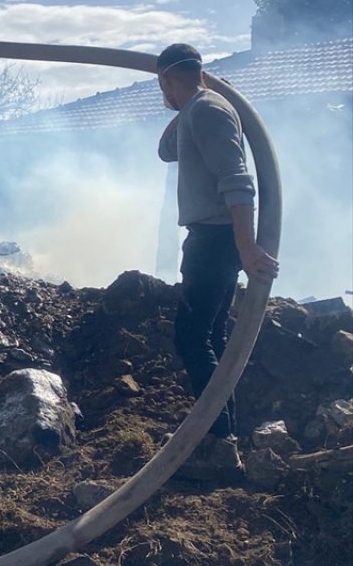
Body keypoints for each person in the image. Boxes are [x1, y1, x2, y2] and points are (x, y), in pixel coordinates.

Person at [156, 43, 279, 476]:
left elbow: (237, 182)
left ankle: (217, 441)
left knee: (192, 338)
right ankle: (221, 432)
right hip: (213, 238)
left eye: (163, 87)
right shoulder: (199, 110)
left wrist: (246, 246)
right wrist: (183, 100)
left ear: (166, 80)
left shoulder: (208, 111)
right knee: (211, 337)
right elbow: (166, 151)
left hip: (216, 240)